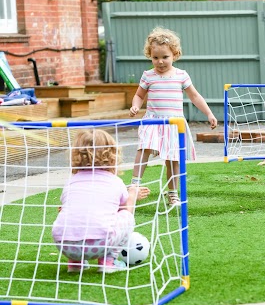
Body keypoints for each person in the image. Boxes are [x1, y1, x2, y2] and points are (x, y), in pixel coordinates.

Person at [129, 26, 218, 206]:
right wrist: (135, 106)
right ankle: (134, 185)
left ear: (175, 54)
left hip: (173, 123)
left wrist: (208, 113)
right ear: (150, 56)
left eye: (165, 57)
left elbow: (195, 96)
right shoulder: (148, 76)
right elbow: (139, 95)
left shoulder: (181, 75)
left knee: (173, 160)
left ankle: (172, 194)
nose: (160, 62)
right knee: (143, 149)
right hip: (153, 120)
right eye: (155, 58)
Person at [52, 128, 150, 273]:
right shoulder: (115, 182)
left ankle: (75, 264)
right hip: (99, 244)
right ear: (112, 155)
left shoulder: (71, 182)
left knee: (67, 214)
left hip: (64, 245)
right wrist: (133, 194)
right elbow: (124, 209)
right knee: (127, 217)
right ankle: (108, 262)